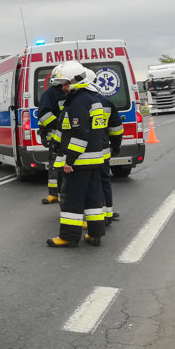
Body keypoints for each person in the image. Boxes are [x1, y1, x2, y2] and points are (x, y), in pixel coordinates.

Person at [46, 62, 107, 248]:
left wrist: (70, 160)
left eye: (65, 83)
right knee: (93, 198)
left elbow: (80, 134)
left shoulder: (79, 102)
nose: (63, 87)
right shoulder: (92, 99)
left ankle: (69, 237)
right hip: (94, 159)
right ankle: (95, 234)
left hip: (79, 161)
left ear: (76, 81)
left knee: (71, 198)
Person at [84, 69, 123, 226]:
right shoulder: (106, 102)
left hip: (84, 153)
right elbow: (116, 127)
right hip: (103, 149)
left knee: (87, 184)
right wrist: (116, 145)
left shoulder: (78, 102)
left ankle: (92, 216)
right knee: (104, 181)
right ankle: (108, 213)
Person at [38, 64, 70, 204]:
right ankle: (54, 194)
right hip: (57, 136)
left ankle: (65, 193)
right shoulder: (50, 94)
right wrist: (59, 125)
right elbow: (43, 115)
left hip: (74, 136)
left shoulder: (75, 93)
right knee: (55, 165)